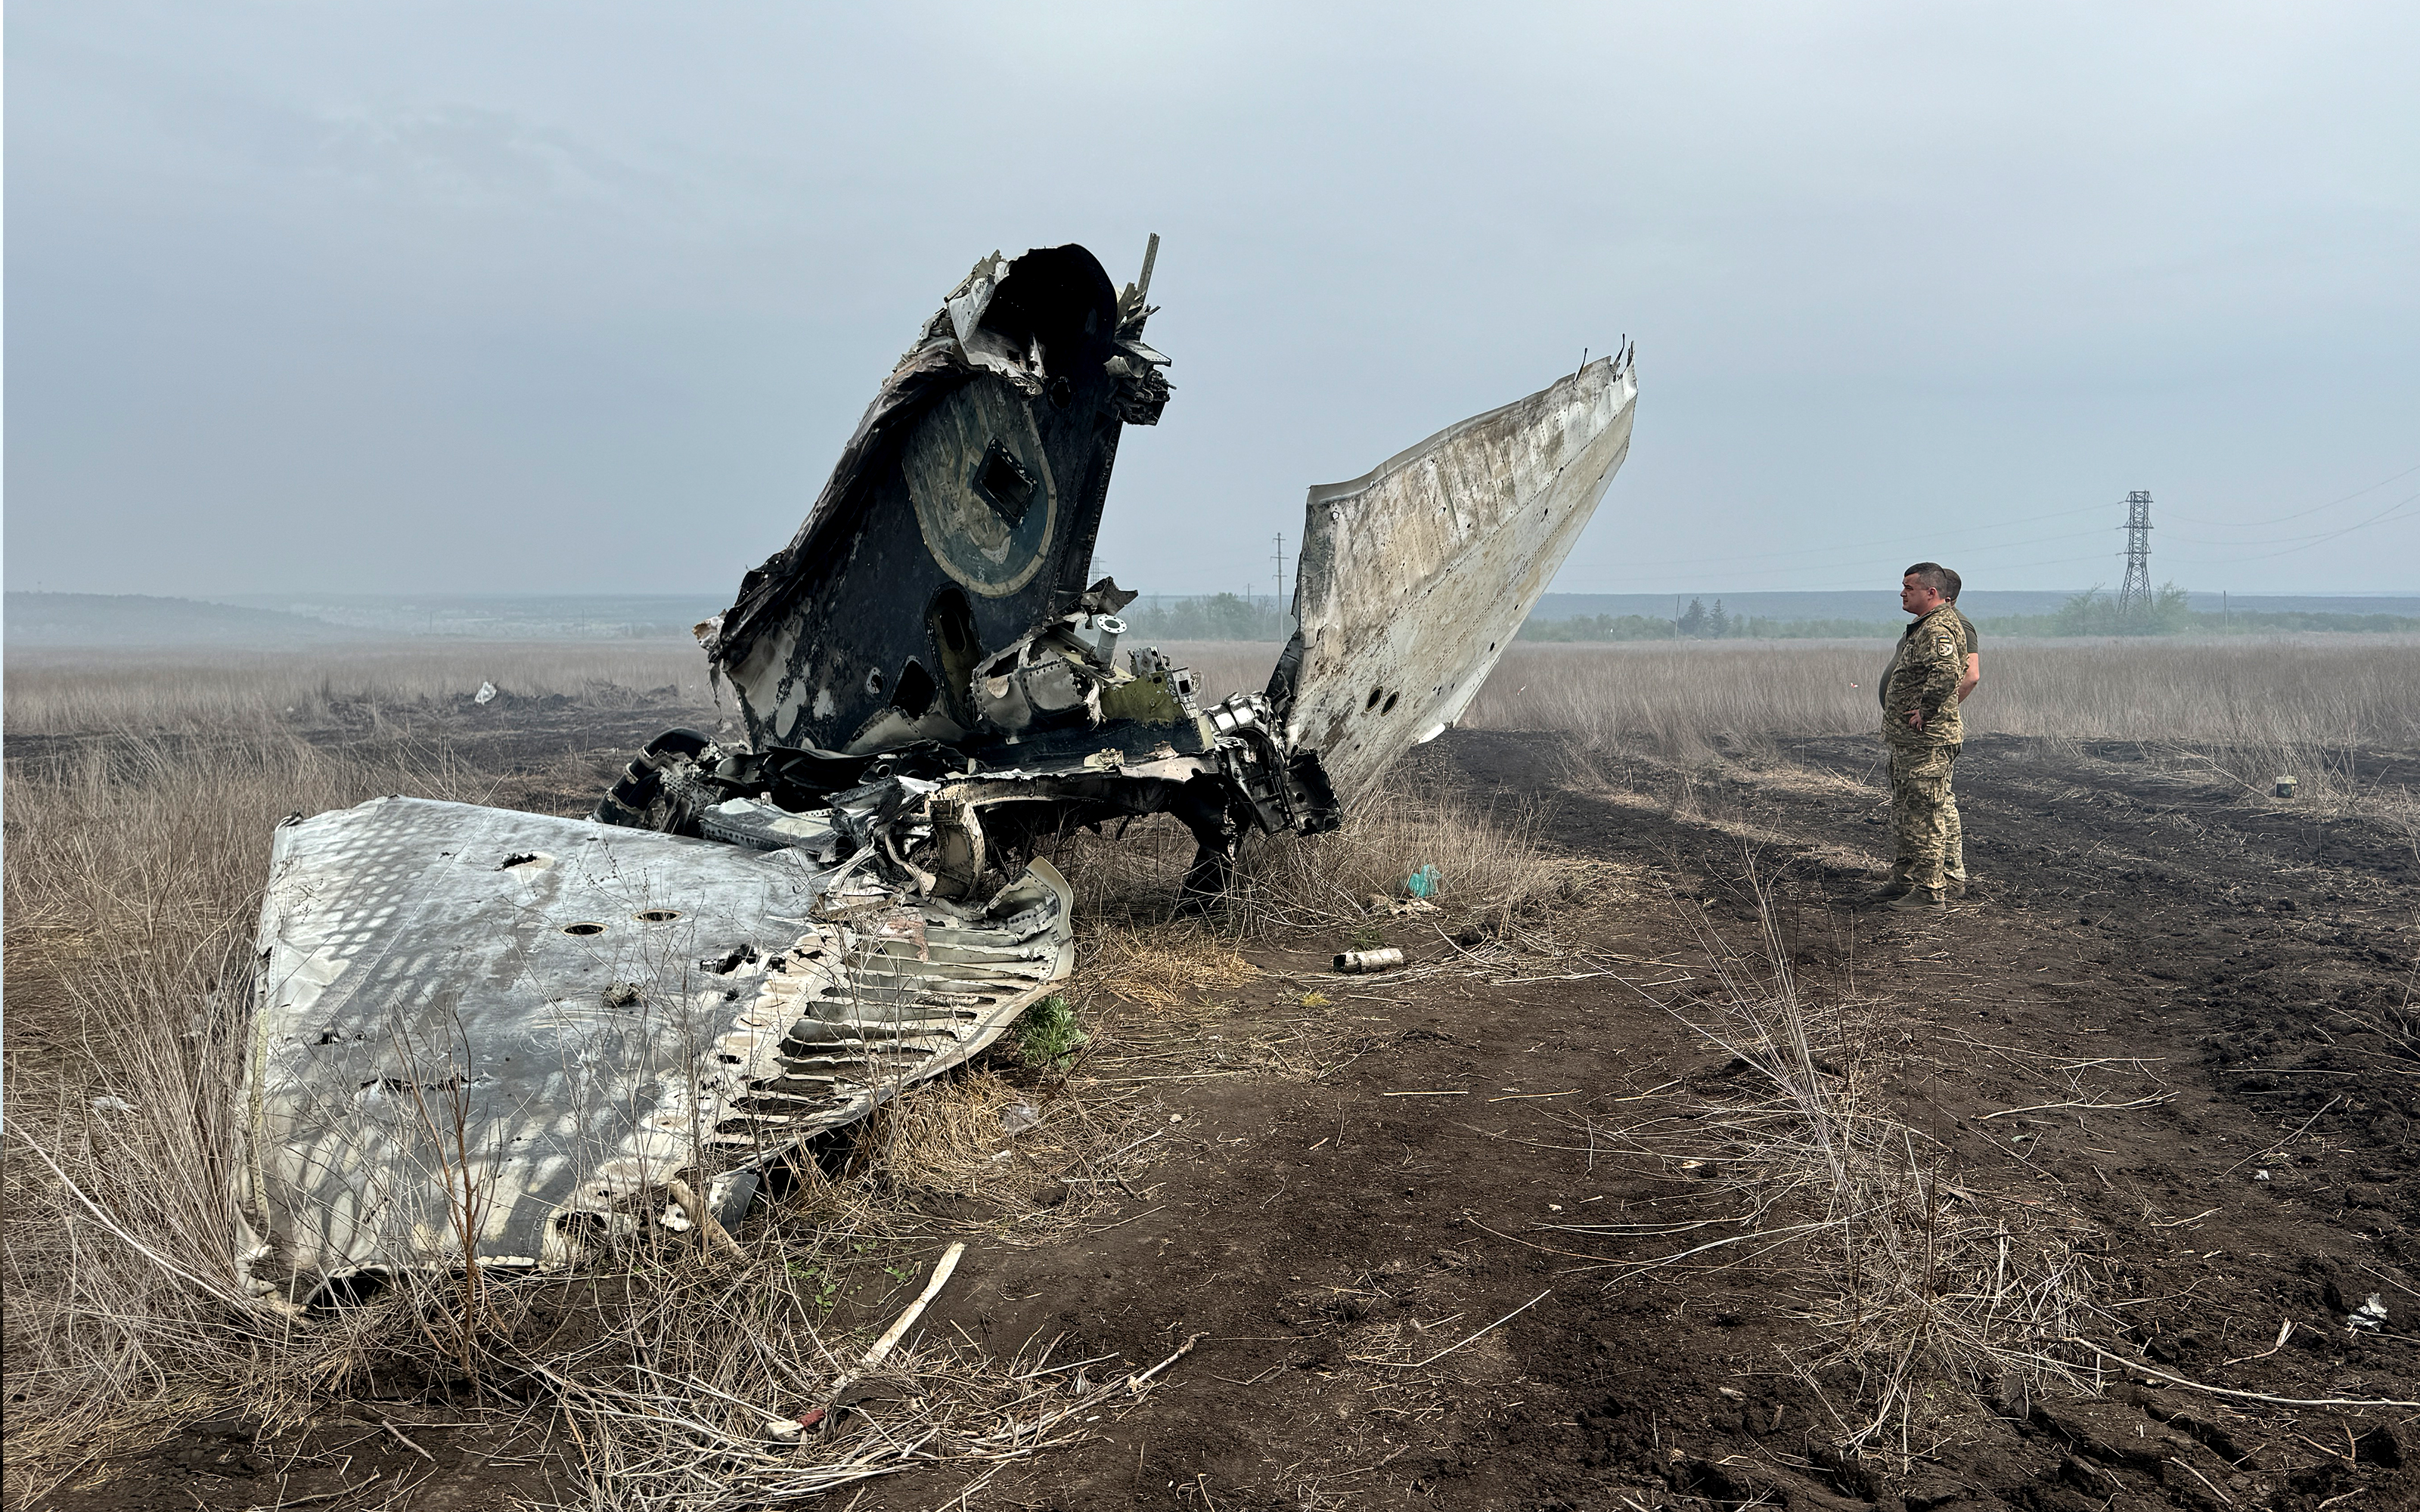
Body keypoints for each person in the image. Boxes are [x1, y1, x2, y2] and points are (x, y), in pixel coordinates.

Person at [1872, 562, 1965, 908]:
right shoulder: (1924, 625)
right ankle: (1910, 879)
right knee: (1908, 810)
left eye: (1909, 587)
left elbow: (1948, 670)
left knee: (1925, 814)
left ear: (1932, 593)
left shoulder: (1939, 627)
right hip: (1909, 741)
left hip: (1927, 741)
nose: (1902, 592)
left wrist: (1925, 711)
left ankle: (1930, 891)